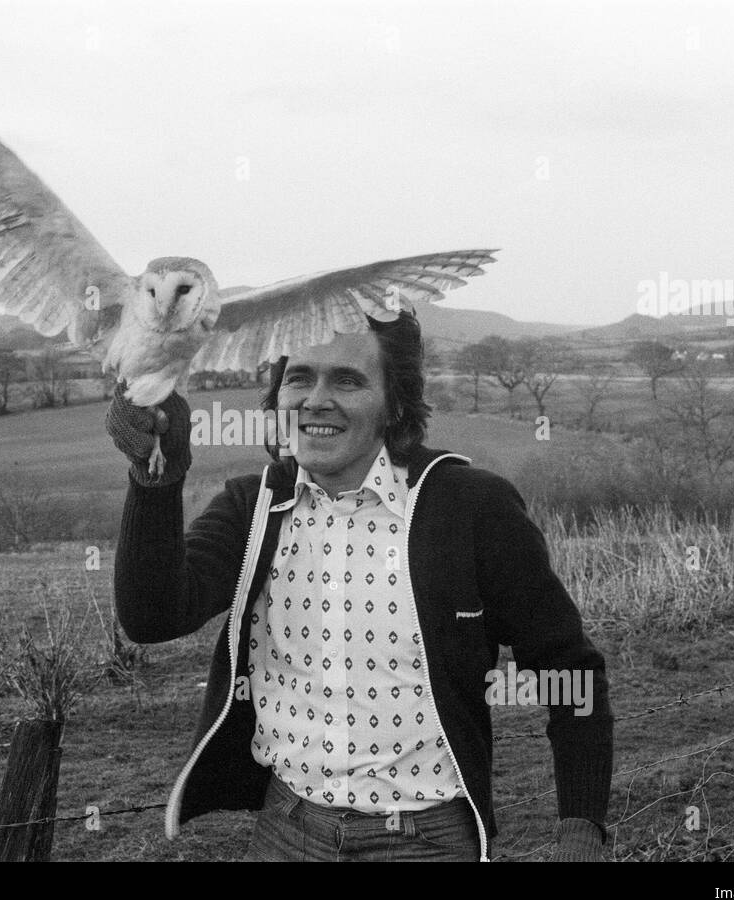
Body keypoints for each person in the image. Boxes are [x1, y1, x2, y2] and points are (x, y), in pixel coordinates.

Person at [106, 306, 612, 862]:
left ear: (394, 403)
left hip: (426, 844)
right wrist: (157, 473)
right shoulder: (253, 508)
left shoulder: (471, 507)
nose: (316, 399)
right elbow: (152, 618)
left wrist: (581, 830)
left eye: (347, 380)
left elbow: (570, 671)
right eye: (299, 377)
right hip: (285, 831)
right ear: (277, 397)